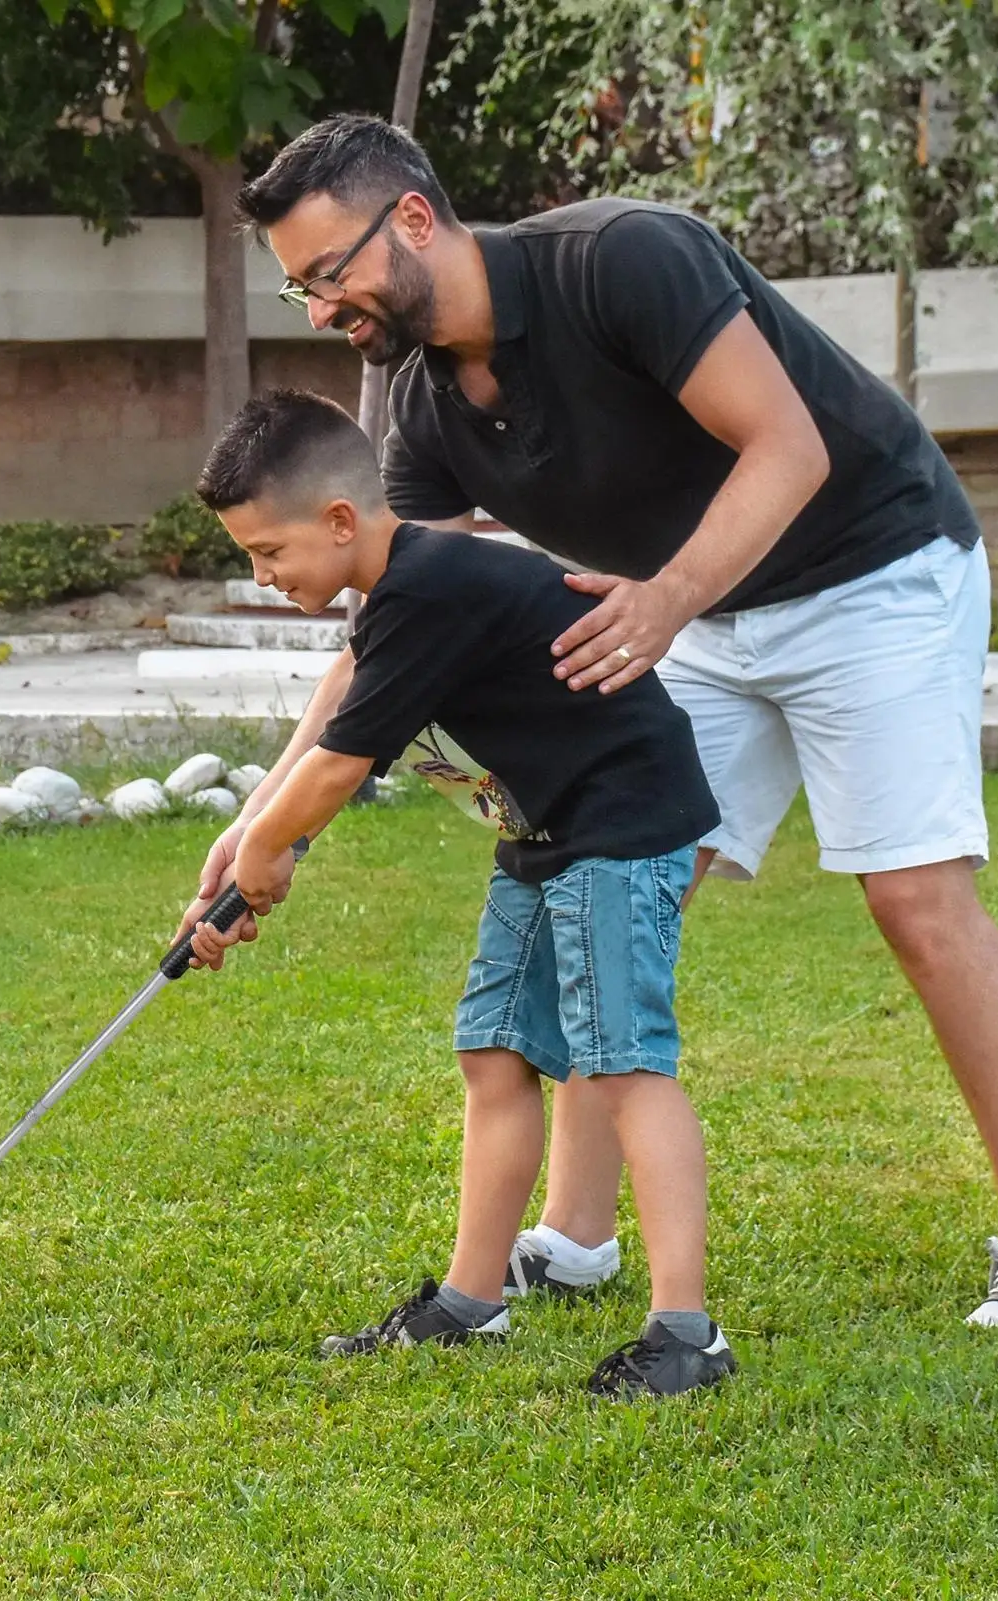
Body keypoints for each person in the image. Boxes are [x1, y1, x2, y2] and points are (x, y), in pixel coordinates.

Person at [179, 113, 998, 1329]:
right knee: (615, 879)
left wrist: (668, 601)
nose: (318, 308)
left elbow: (785, 447)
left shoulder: (619, 259)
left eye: (328, 273)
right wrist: (264, 821)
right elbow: (389, 632)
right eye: (299, 285)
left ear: (410, 218)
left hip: (865, 569)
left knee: (913, 902)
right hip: (684, 612)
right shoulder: (423, 408)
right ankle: (572, 1236)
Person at [187, 385, 735, 1398]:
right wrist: (246, 837)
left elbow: (339, 769)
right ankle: (467, 1300)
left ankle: (685, 1335)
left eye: (269, 554)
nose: (262, 576)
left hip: (619, 827)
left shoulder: (428, 587)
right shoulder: (400, 595)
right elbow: (331, 722)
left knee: (620, 1065)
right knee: (494, 1050)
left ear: (340, 521)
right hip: (541, 834)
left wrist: (270, 853)